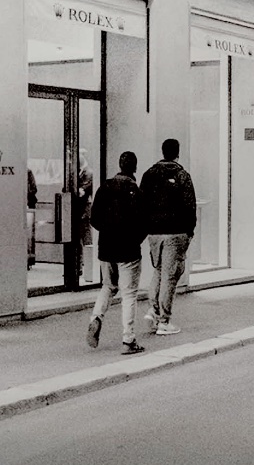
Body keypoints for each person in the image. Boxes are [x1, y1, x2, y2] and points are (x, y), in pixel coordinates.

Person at [86, 151, 147, 355]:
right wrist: (134, 239)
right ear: (134, 167)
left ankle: (96, 317)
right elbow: (143, 222)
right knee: (129, 294)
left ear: (120, 166)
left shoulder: (105, 187)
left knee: (108, 286)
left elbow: (94, 219)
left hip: (107, 248)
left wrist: (108, 231)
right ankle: (128, 340)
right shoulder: (135, 190)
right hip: (128, 249)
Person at [140, 139, 197, 336]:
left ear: (162, 152)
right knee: (170, 275)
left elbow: (142, 204)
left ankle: (153, 310)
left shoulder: (149, 174)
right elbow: (190, 206)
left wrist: (147, 228)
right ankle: (164, 321)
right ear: (177, 154)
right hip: (176, 232)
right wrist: (189, 232)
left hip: (154, 233)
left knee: (158, 270)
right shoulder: (182, 175)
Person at [77, 148, 94, 277]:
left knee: (86, 239)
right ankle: (79, 266)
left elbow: (83, 191)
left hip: (84, 211)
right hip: (78, 211)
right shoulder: (78, 171)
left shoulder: (88, 173)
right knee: (78, 240)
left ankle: (88, 269)